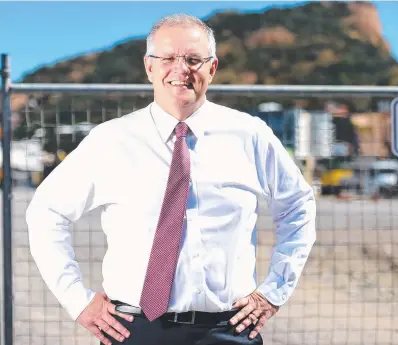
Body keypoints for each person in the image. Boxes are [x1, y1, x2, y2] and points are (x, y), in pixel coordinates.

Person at [26, 14, 316, 345]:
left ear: (212, 68)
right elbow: (46, 213)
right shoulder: (110, 140)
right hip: (132, 329)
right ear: (149, 67)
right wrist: (77, 300)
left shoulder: (249, 135)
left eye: (194, 59)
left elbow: (297, 205)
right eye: (167, 58)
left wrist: (274, 292)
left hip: (227, 329)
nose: (181, 69)